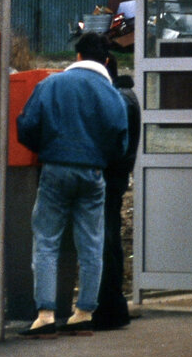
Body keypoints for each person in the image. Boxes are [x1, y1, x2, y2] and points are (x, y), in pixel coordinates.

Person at [15, 31, 129, 336]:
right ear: (105, 60)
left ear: (77, 57)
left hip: (55, 169)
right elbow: (120, 141)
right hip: (93, 173)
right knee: (92, 244)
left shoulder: (50, 84)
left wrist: (45, 148)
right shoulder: (112, 94)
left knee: (47, 241)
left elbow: (26, 126)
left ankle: (46, 314)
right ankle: (84, 313)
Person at [92, 53, 141, 330]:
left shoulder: (119, 98)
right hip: (118, 174)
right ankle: (113, 302)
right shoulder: (126, 95)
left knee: (107, 237)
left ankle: (109, 304)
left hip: (110, 175)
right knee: (110, 235)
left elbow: (112, 138)